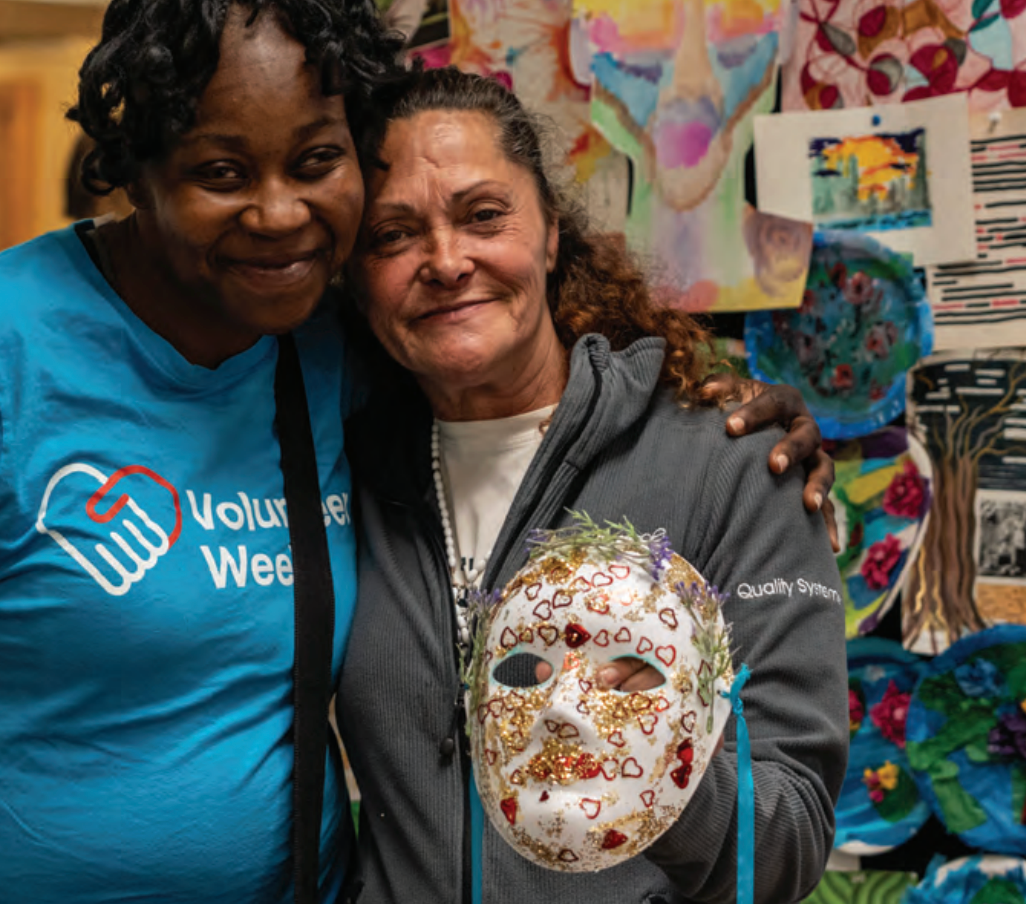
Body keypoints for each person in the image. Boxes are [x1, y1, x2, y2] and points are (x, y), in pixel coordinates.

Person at [0, 0, 832, 904]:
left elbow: (504, 347)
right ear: (139, 169)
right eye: (223, 172)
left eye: (314, 160)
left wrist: (722, 417)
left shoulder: (328, 352)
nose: (277, 214)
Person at [335, 67, 848, 904]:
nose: (445, 259)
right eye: (393, 235)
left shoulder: (731, 467)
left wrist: (647, 763)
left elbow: (788, 846)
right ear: (359, 278)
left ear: (548, 234)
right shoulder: (349, 477)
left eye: (483, 215)